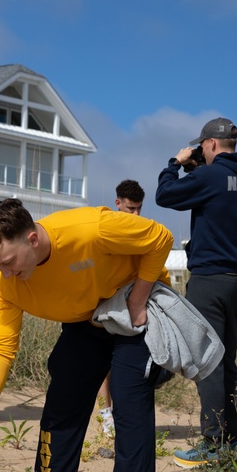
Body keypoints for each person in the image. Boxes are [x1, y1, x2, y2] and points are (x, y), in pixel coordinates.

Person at [0, 198, 173, 472]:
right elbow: (0, 343)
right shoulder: (6, 279)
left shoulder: (91, 229)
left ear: (32, 239)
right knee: (61, 405)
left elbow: (160, 236)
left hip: (133, 312)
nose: (6, 274)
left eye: (10, 263)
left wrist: (138, 299)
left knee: (127, 403)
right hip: (86, 321)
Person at [156, 117, 237, 468]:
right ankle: (230, 440)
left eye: (202, 146)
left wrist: (175, 163)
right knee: (227, 360)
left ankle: (213, 444)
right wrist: (198, 168)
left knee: (208, 360)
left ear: (212, 144)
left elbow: (165, 194)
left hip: (209, 279)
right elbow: (222, 199)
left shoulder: (209, 176)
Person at [97, 179, 146, 436]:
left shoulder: (142, 231)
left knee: (126, 363)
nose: (136, 214)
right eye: (130, 208)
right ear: (118, 204)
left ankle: (123, 413)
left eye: (139, 208)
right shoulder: (104, 227)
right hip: (103, 303)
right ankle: (107, 412)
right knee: (105, 364)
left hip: (131, 303)